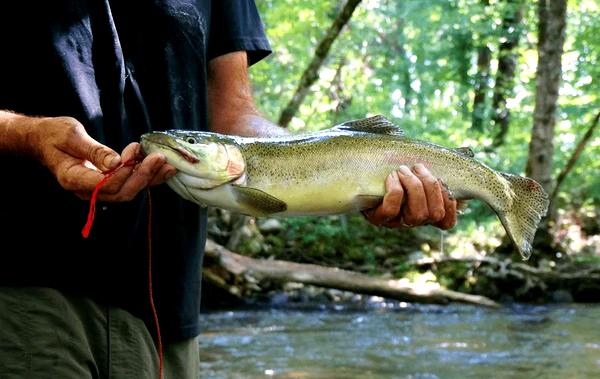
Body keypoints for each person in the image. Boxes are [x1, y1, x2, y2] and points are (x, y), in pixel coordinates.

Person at [0, 1, 457, 378]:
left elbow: (235, 119)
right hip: (22, 285)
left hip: (168, 308)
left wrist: (344, 168)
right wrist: (26, 135)